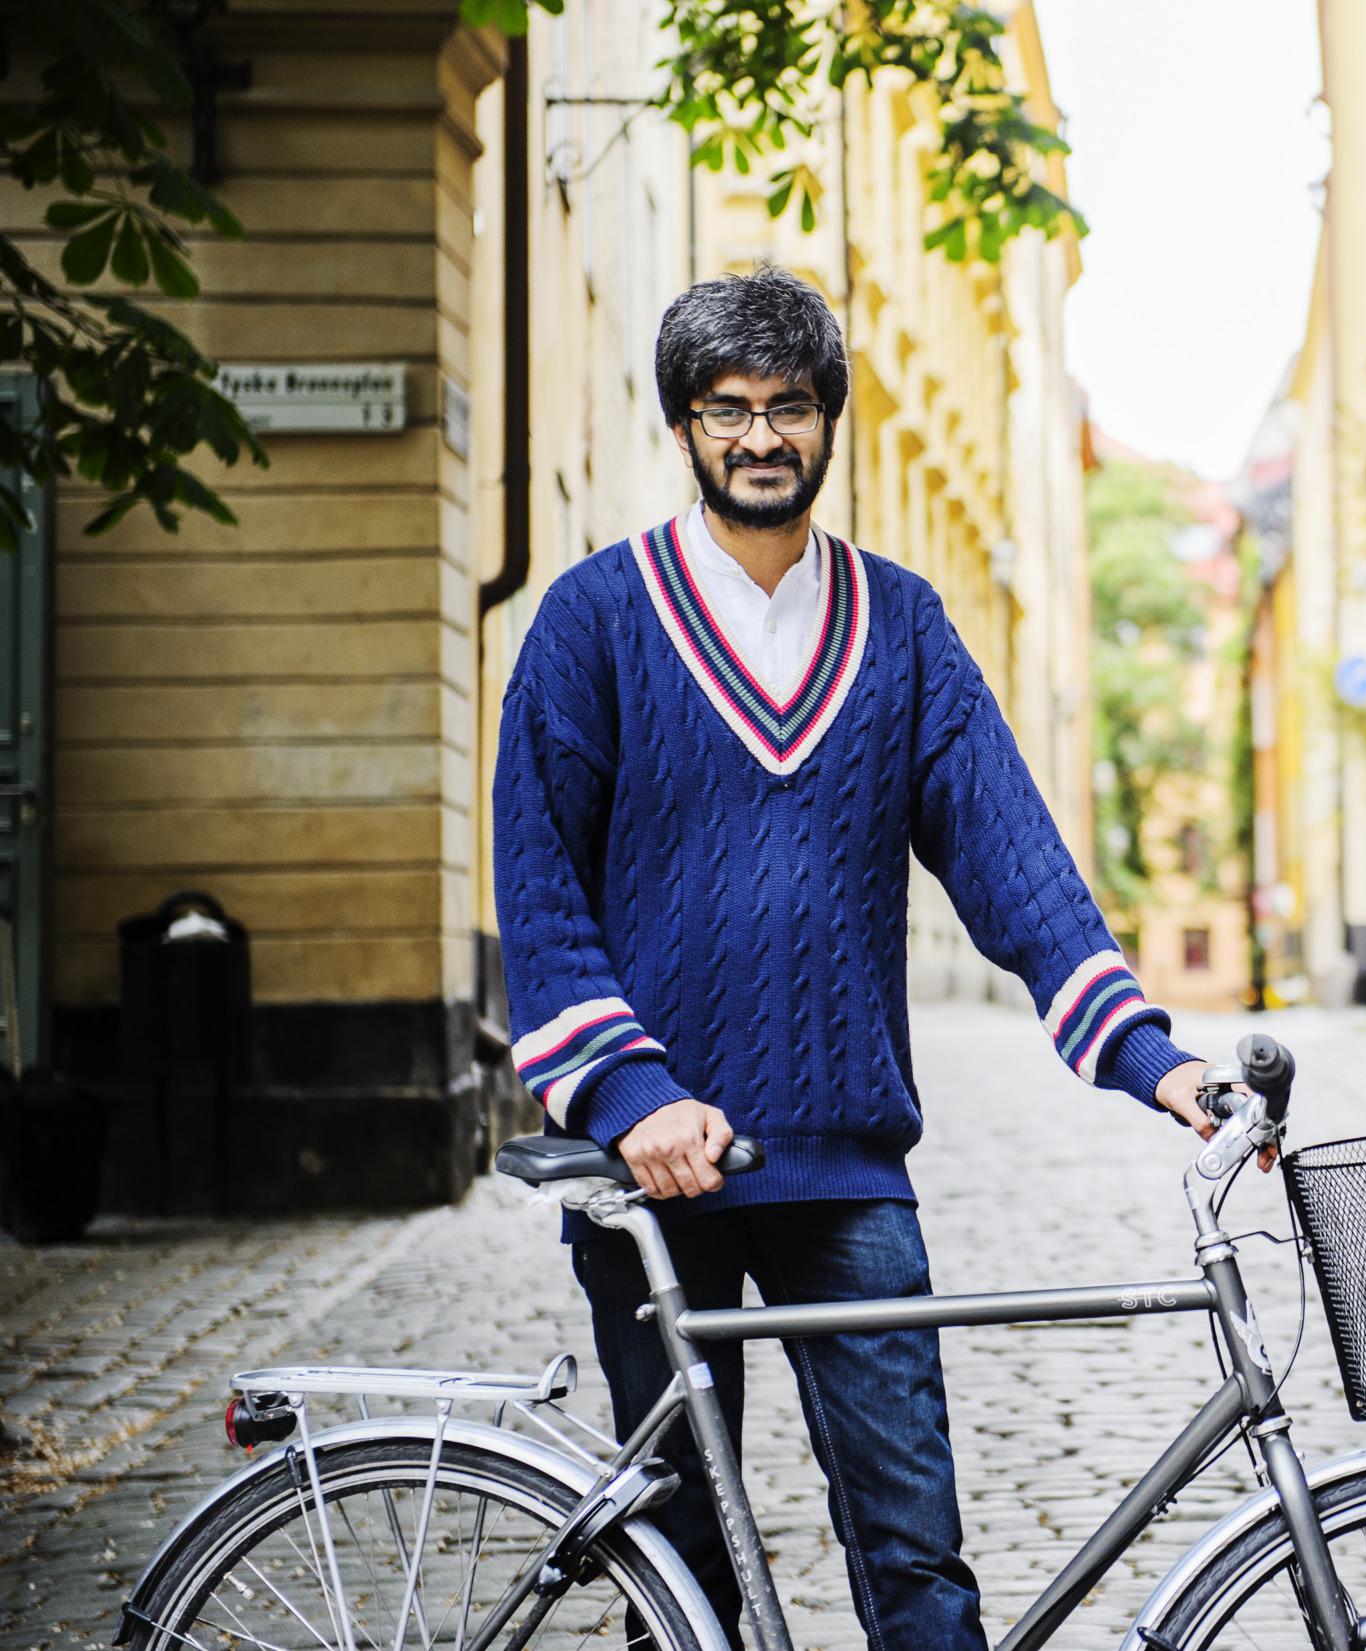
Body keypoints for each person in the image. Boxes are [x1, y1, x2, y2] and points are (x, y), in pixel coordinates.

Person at [491, 267, 1227, 1650]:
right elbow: (538, 895)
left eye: (789, 407)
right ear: (686, 427)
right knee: (681, 1560)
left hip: (844, 1165)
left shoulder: (903, 628)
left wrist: (1153, 1058)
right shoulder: (594, 621)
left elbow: (1018, 866)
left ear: (831, 421)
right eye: (727, 411)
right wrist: (634, 1098)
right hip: (657, 1171)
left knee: (916, 1554)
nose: (760, 437)